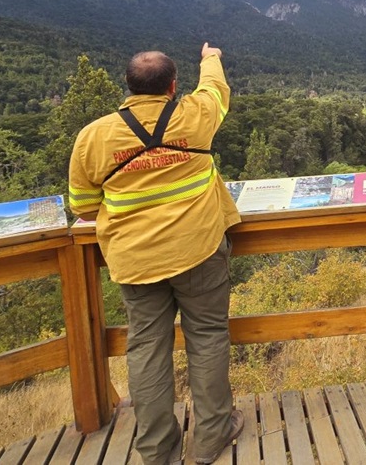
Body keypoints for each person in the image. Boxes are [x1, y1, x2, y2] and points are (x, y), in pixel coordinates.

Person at [68, 43, 244, 465]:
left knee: (146, 347)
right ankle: (210, 437)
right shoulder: (193, 117)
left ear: (127, 86)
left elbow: (83, 206)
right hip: (199, 248)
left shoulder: (94, 136)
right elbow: (216, 89)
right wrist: (210, 57)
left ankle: (156, 450)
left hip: (134, 260)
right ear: (172, 86)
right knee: (207, 337)